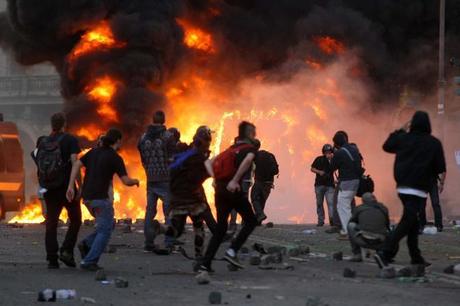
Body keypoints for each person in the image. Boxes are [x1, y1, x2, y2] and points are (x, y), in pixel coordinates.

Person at [375, 111, 446, 269]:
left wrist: (400, 130)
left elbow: (387, 146)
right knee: (408, 220)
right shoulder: (433, 143)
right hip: (419, 189)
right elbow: (440, 167)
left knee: (413, 221)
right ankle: (384, 251)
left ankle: (416, 257)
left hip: (403, 187)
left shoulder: (403, 138)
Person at [66, 128, 139, 271]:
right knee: (105, 230)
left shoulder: (93, 152)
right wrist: (135, 181)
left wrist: (70, 186)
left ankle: (87, 244)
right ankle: (89, 261)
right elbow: (125, 181)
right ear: (117, 141)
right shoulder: (115, 157)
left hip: (87, 198)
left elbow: (76, 164)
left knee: (108, 223)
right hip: (100, 199)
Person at [196, 121, 259, 273]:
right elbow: (249, 160)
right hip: (232, 189)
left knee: (221, 228)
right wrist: (235, 180)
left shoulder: (229, 150)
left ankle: (205, 263)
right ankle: (231, 251)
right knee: (251, 220)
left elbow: (208, 163)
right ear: (250, 134)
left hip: (220, 191)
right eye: (254, 133)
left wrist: (216, 179)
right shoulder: (250, 149)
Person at [158, 126, 218, 258]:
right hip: (192, 198)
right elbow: (196, 178)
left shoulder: (183, 151)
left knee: (177, 230)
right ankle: (199, 256)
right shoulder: (199, 158)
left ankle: (161, 229)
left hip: (176, 196)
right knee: (198, 228)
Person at [36, 113, 82, 269]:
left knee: (51, 223)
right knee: (75, 220)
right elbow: (76, 163)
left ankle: (52, 259)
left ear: (51, 125)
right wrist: (78, 185)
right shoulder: (70, 140)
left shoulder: (43, 141)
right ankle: (66, 251)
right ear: (64, 124)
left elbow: (38, 163)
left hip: (49, 188)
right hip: (66, 187)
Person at [138, 110, 176, 251]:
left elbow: (142, 159)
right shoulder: (168, 137)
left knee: (150, 211)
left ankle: (148, 242)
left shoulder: (142, 138)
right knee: (169, 212)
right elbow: (173, 159)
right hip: (166, 179)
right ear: (164, 120)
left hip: (151, 179)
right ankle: (169, 242)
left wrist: (149, 170)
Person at [331, 131, 363, 239]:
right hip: (356, 181)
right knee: (345, 206)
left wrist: (334, 155)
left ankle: (348, 231)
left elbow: (332, 167)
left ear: (336, 143)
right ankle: (351, 229)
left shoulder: (340, 152)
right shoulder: (354, 150)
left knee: (343, 207)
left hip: (346, 182)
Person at [347, 193, 391, 262]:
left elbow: (352, 221)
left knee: (351, 225)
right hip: (380, 242)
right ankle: (382, 254)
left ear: (363, 201)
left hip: (363, 240)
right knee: (391, 229)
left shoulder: (359, 208)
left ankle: (357, 254)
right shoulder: (384, 208)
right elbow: (387, 225)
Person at [251, 146, 279, 224]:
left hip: (259, 181)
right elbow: (276, 171)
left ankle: (260, 214)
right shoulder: (271, 155)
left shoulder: (256, 156)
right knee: (262, 201)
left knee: (254, 198)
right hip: (269, 183)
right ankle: (258, 221)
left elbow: (252, 167)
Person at [311, 144, 335, 227]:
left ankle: (332, 220)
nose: (327, 153)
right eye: (326, 152)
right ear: (323, 152)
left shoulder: (333, 160)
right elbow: (312, 168)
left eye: (329, 152)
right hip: (319, 185)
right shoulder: (319, 159)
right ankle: (320, 220)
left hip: (330, 185)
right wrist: (319, 172)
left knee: (330, 203)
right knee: (319, 203)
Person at [31, 135, 47, 219]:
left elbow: (33, 153)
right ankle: (49, 217)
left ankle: (46, 216)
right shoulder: (53, 152)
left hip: (43, 181)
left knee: (42, 197)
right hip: (54, 180)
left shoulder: (36, 153)